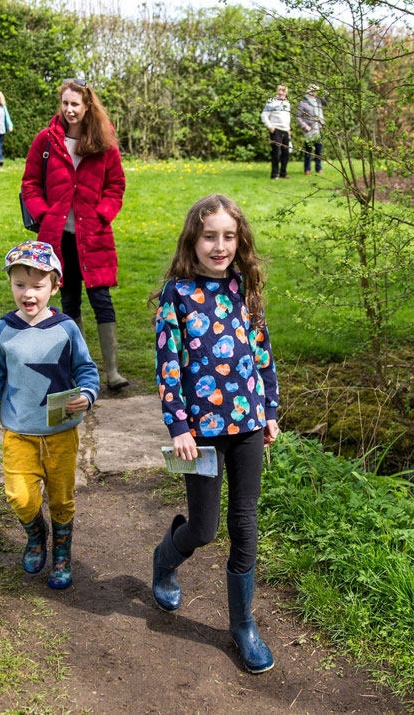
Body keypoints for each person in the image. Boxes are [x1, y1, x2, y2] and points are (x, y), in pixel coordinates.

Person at [149, 194, 281, 674]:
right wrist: (178, 425)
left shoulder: (243, 287)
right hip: (199, 434)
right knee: (204, 530)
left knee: (244, 524)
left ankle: (242, 625)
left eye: (228, 236)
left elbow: (262, 351)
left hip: (247, 425)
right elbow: (167, 368)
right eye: (210, 236)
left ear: (239, 240)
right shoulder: (176, 296)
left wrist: (269, 408)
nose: (219, 246)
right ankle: (165, 560)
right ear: (193, 239)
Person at [0, 240, 100, 590]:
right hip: (19, 431)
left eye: (37, 286)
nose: (28, 294)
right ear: (10, 285)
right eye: (20, 285)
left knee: (61, 497)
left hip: (61, 432)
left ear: (55, 285)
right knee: (19, 495)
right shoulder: (3, 331)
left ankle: (62, 553)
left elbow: (87, 371)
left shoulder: (66, 329)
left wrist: (87, 395)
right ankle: (36, 533)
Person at [21, 78, 130, 390]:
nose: (69, 110)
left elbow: (116, 186)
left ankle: (112, 371)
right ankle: (83, 370)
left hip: (93, 234)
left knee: (101, 298)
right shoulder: (45, 141)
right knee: (69, 300)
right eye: (65, 103)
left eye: (75, 104)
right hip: (57, 237)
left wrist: (102, 213)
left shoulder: (104, 141)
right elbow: (29, 183)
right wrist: (44, 213)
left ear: (87, 107)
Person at [260, 84, 291, 180]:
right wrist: (270, 127)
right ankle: (274, 174)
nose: (281, 92)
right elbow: (264, 115)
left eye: (283, 90)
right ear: (277, 91)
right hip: (276, 130)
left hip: (286, 130)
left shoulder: (287, 103)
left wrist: (289, 129)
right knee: (276, 153)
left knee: (286, 153)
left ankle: (283, 173)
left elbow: (287, 117)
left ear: (286, 92)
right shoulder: (271, 102)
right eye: (279, 90)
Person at [296, 85, 324, 175]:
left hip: (318, 128)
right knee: (308, 150)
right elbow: (298, 116)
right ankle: (307, 169)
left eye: (316, 91)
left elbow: (321, 113)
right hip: (309, 129)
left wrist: (322, 124)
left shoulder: (318, 101)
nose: (315, 92)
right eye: (313, 90)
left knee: (318, 150)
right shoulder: (303, 102)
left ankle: (318, 168)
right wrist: (304, 126)